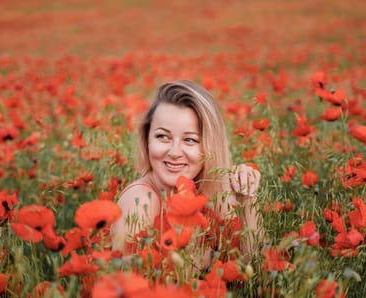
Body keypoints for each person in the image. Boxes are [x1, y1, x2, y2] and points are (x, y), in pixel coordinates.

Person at [110, 80, 263, 265]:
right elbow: (131, 287)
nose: (174, 152)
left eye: (190, 140)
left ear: (209, 146)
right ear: (146, 138)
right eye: (162, 136)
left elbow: (256, 271)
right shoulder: (141, 201)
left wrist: (246, 197)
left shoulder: (209, 189)